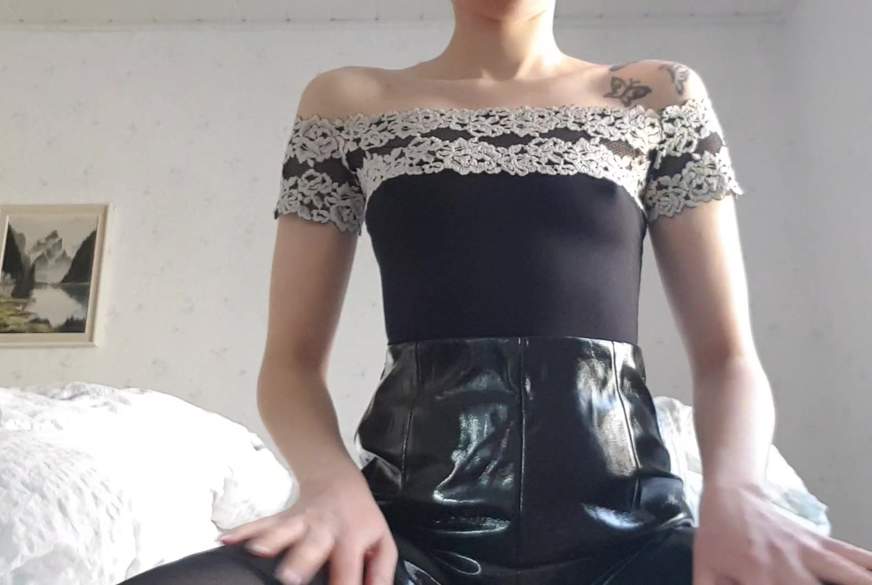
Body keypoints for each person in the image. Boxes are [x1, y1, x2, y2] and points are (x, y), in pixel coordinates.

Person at [117, 1, 872, 584]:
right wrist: (329, 483)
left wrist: (737, 493)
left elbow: (728, 356)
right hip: (401, 541)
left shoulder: (658, 94)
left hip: (634, 544)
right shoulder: (347, 101)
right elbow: (289, 363)